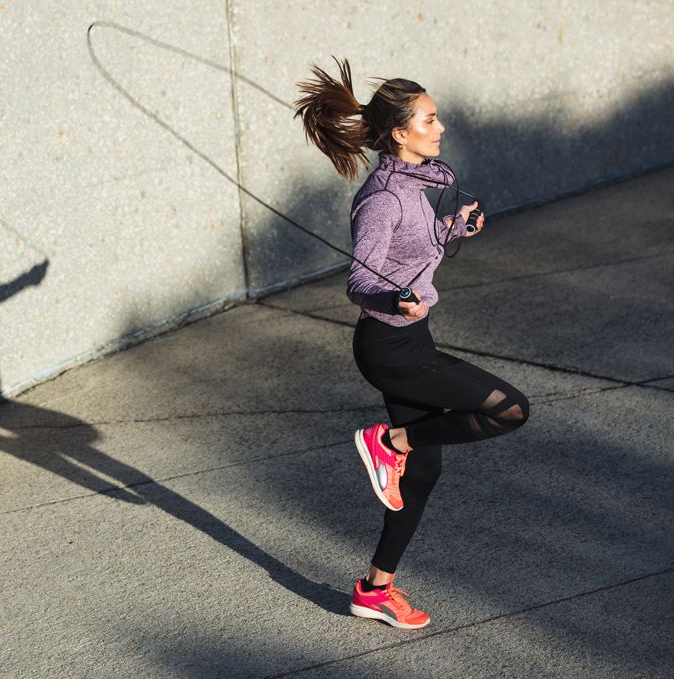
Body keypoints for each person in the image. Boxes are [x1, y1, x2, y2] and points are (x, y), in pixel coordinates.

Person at [294, 58, 530, 630]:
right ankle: (389, 440)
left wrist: (453, 229)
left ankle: (375, 589)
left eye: (437, 116)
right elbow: (361, 278)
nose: (441, 127)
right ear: (401, 133)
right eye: (430, 119)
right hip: (392, 348)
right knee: (510, 409)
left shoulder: (415, 186)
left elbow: (412, 250)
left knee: (423, 476)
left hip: (408, 339)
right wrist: (394, 298)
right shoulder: (382, 198)